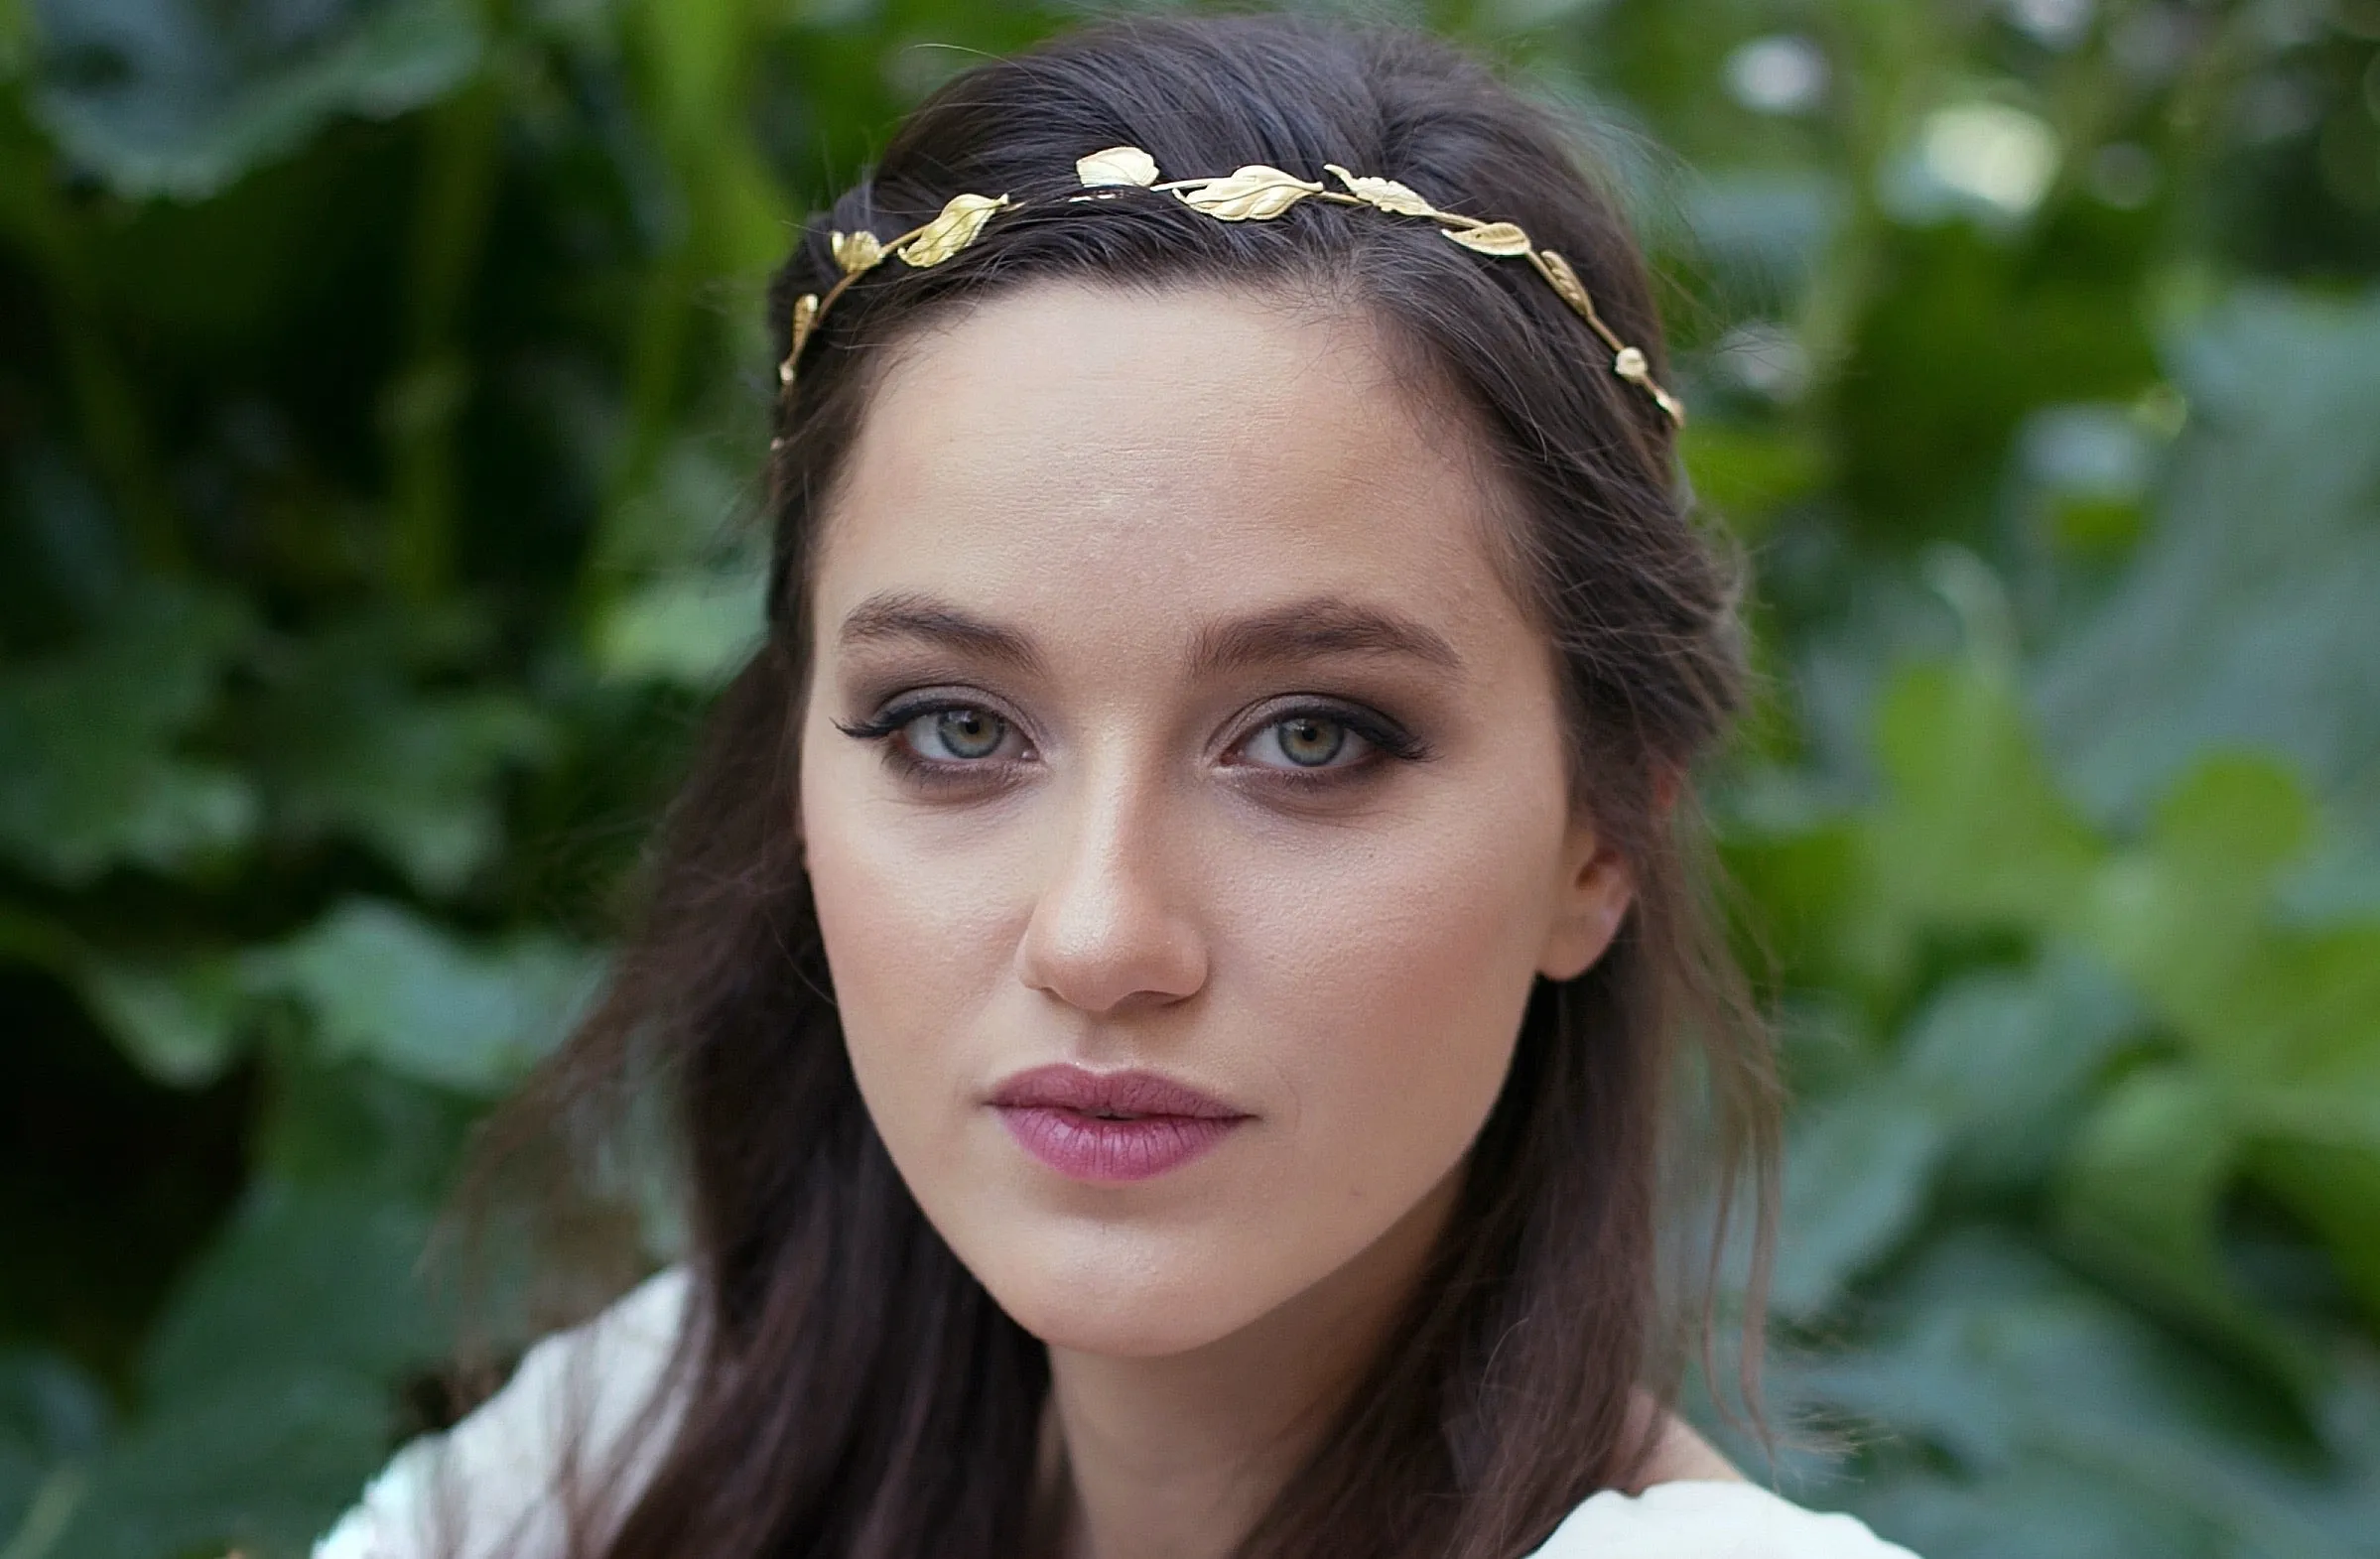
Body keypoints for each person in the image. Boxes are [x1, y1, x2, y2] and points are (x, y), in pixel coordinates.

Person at [318, 13, 1919, 1559]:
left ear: (1601, 835)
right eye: (953, 727)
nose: (1096, 937)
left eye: (1312, 737)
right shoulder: (634, 1451)